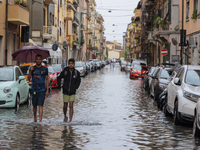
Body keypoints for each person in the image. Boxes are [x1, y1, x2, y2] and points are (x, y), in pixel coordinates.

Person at [57, 58, 81, 123]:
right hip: (65, 91)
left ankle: (70, 120)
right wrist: (60, 84)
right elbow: (58, 78)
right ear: (68, 64)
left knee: (71, 105)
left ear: (74, 64)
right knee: (65, 106)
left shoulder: (76, 73)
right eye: (69, 63)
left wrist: (75, 87)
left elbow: (79, 81)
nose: (71, 65)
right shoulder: (65, 71)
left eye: (72, 64)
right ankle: (65, 116)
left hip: (72, 92)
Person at [28, 54, 49, 122]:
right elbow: (28, 78)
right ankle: (35, 118)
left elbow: (47, 79)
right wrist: (30, 71)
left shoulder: (45, 69)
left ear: (41, 60)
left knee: (40, 104)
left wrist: (47, 90)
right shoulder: (32, 68)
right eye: (37, 59)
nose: (38, 60)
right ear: (35, 60)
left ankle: (40, 120)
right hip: (34, 89)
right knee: (34, 105)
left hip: (42, 89)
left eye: (40, 59)